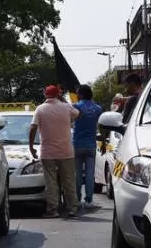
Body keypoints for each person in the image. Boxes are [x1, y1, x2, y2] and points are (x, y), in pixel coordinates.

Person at [29, 85, 80, 218]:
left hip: (48, 152)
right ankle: (72, 208)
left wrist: (31, 147)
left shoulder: (40, 109)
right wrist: (63, 101)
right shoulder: (66, 107)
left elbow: (33, 128)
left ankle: (53, 209)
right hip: (66, 151)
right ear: (59, 94)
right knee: (68, 181)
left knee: (51, 182)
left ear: (45, 95)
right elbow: (77, 114)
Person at [72, 84, 102, 210]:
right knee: (90, 173)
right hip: (91, 145)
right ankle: (89, 200)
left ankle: (77, 199)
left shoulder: (76, 106)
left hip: (77, 144)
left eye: (78, 93)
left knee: (77, 173)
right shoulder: (98, 108)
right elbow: (102, 127)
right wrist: (104, 144)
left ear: (81, 94)